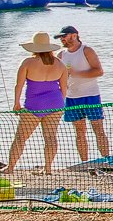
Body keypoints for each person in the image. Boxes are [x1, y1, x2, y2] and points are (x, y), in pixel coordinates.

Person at [5, 31, 70, 173]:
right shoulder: (60, 65)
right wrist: (61, 105)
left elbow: (19, 85)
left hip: (34, 105)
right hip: (56, 103)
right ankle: (48, 168)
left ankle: (10, 168)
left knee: (20, 138)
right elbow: (64, 88)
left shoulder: (28, 62)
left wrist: (16, 103)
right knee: (51, 136)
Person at [54, 24, 113, 165]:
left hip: (90, 95)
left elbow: (99, 71)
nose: (62, 39)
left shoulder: (87, 50)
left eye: (64, 36)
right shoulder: (61, 55)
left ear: (74, 35)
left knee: (98, 129)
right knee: (79, 132)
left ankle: (108, 160)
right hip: (71, 97)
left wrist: (76, 74)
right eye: (60, 37)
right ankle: (85, 162)